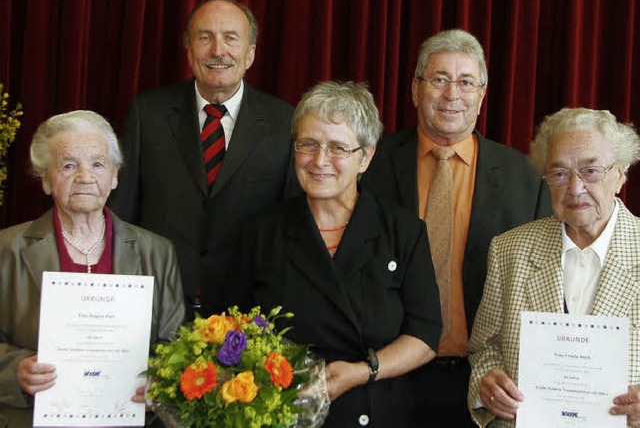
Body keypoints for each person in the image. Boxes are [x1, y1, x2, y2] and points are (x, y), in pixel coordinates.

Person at [361, 29, 551, 426]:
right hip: (386, 378)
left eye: (466, 82)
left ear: (482, 94)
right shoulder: (368, 167)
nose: (452, 95)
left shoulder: (526, 178)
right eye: (439, 79)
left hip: (485, 387)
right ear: (415, 90)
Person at [229, 81, 442, 427]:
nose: (319, 161)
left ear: (366, 157)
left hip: (374, 408)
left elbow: (425, 335)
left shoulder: (403, 232)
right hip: (283, 414)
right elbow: (233, 329)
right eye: (308, 144)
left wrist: (363, 371)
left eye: (338, 148)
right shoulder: (261, 232)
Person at [109, 0, 297, 315]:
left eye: (231, 38)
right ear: (189, 50)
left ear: (250, 53)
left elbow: (291, 226)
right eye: (205, 37)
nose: (217, 51)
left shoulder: (285, 122)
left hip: (247, 311)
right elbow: (121, 213)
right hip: (157, 307)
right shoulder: (147, 113)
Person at [0, 111, 185, 427]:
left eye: (98, 164)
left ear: (114, 176)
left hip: (129, 417)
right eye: (68, 165)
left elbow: (177, 347)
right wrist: (14, 370)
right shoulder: (7, 249)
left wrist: (163, 382)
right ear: (46, 179)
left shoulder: (157, 252)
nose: (85, 176)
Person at [467, 107, 640, 427]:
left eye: (590, 171)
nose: (575, 188)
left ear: (621, 172)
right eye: (559, 173)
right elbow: (483, 350)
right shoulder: (510, 251)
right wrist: (485, 385)